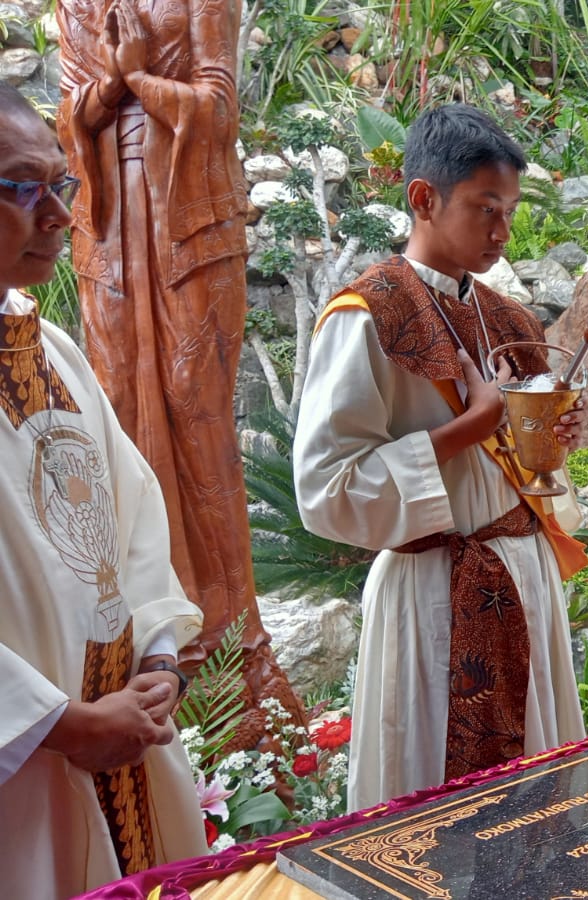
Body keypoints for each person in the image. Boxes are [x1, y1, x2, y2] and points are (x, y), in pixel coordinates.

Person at [294, 104, 588, 809]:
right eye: (485, 207)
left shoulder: (512, 319)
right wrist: (466, 428)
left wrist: (551, 446)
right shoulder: (369, 315)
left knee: (536, 795)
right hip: (432, 591)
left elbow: (529, 474)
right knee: (433, 802)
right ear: (423, 198)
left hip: (523, 580)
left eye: (510, 210)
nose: (501, 230)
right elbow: (325, 488)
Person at [56, 0, 301, 719]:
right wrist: (110, 87)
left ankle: (231, 646)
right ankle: (144, 641)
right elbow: (71, 111)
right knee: (118, 422)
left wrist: (138, 80)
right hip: (108, 239)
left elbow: (218, 109)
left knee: (201, 426)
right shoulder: (77, 3)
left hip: (189, 229)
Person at [0, 83, 207, 893]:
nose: (57, 214)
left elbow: (132, 516)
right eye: (25, 188)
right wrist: (54, 723)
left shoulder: (49, 346)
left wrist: (158, 658)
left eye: (63, 185)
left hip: (125, 743)